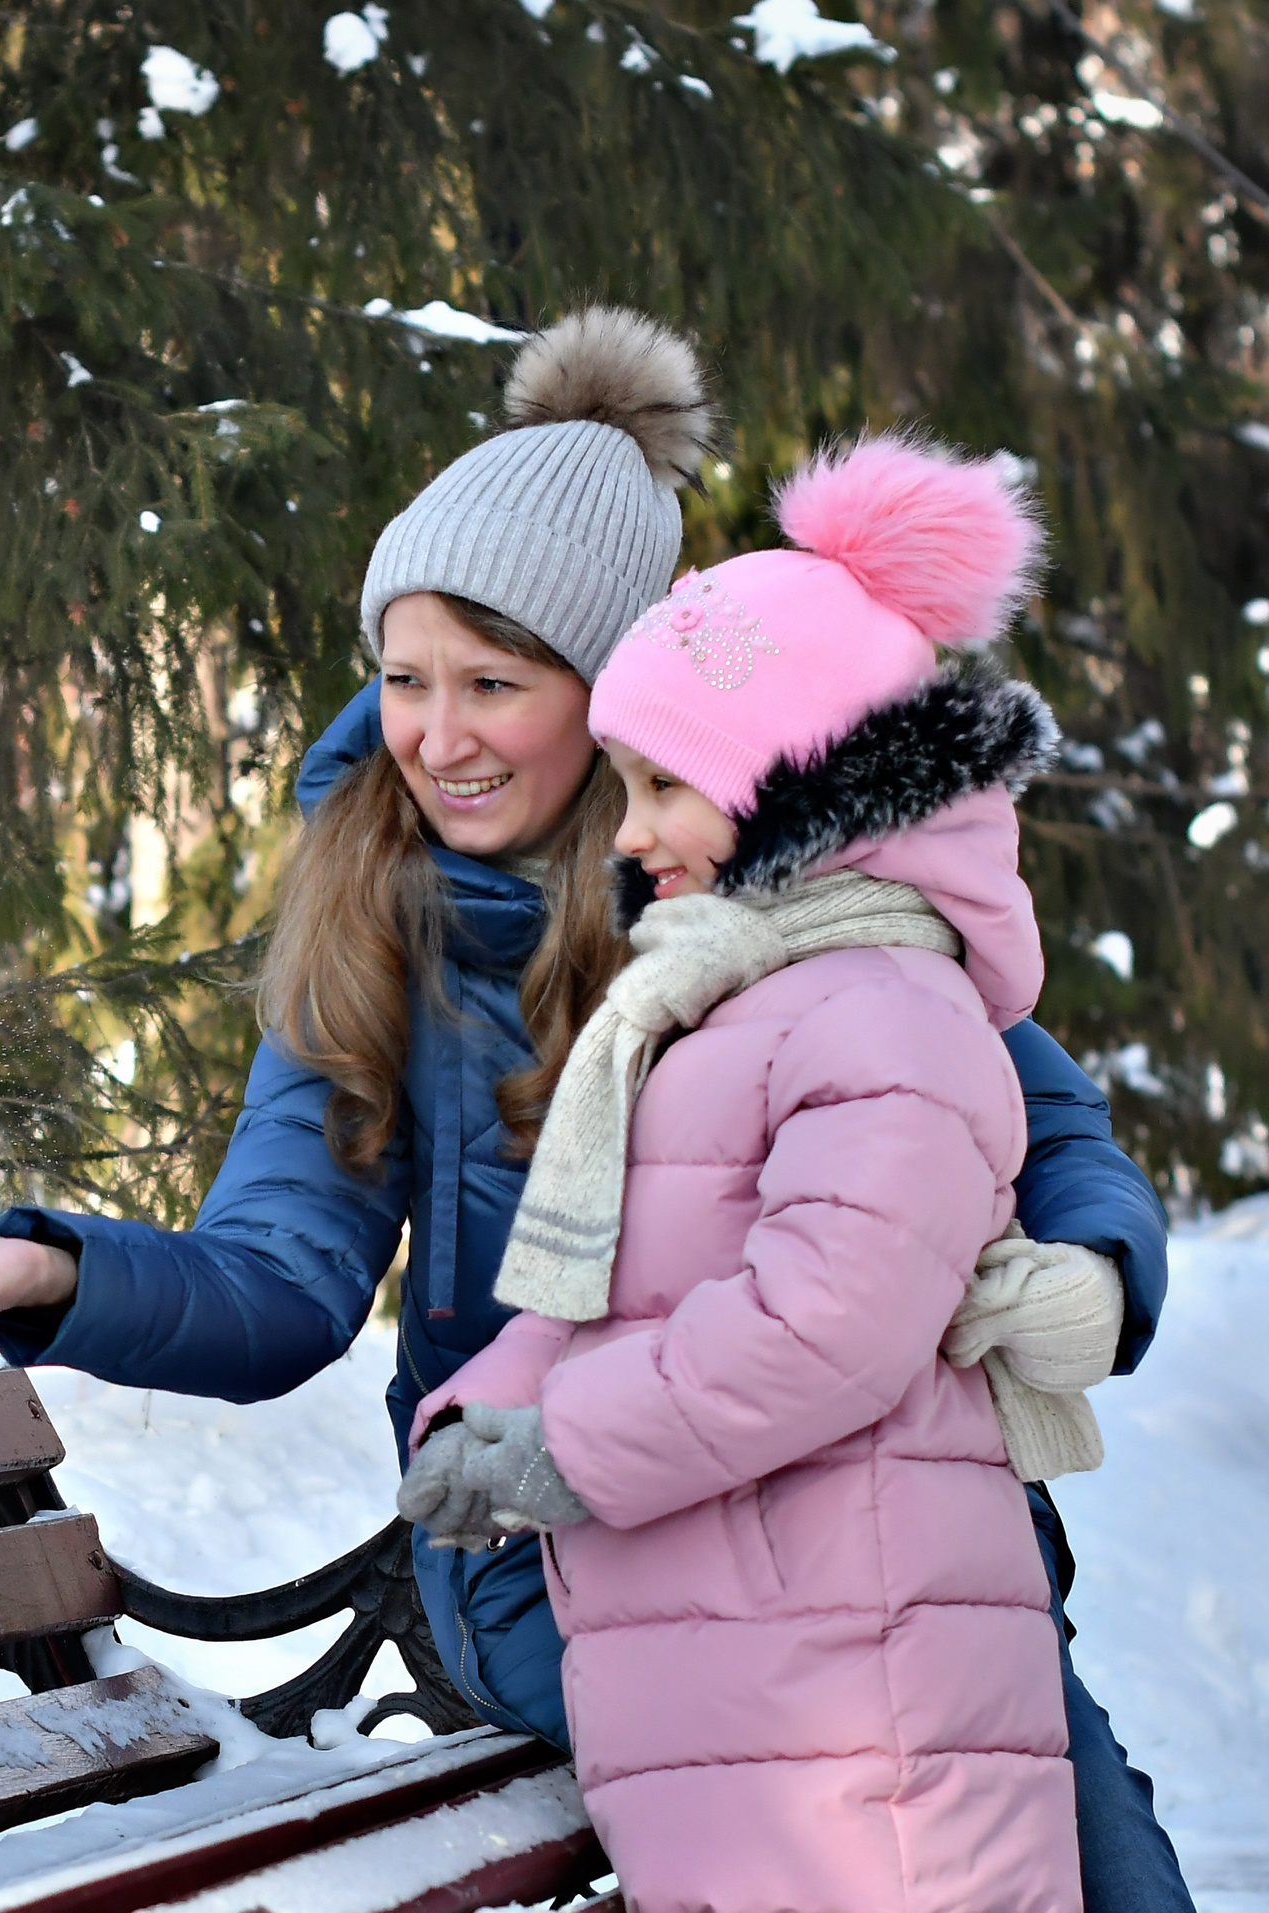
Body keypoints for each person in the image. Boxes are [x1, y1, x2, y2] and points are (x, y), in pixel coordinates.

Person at [0, 310, 1189, 1910]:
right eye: (404, 678)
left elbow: (1041, 1115)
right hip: (551, 1533)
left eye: (496, 681)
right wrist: (56, 1278)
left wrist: (1093, 1271)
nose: (438, 736)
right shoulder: (374, 916)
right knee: (857, 1782)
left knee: (1087, 1851)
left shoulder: (780, 884)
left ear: (620, 702)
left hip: (860, 1519)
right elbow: (280, 1280)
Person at [401, 434, 1082, 1911]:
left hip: (856, 1711)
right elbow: (627, 1278)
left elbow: (822, 1322)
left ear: (797, 780)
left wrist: (563, 1447)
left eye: (665, 786)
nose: (632, 835)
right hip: (744, 1685)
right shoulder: (720, 998)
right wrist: (491, 1407)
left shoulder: (885, 1005)